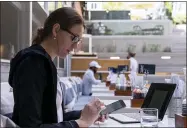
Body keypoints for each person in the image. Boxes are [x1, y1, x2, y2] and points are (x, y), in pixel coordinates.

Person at [8, 7, 107, 128]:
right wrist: (80, 123)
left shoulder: (45, 63)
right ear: (56, 30)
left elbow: (54, 118)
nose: (76, 46)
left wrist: (85, 115)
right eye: (74, 38)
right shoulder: (33, 64)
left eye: (79, 40)